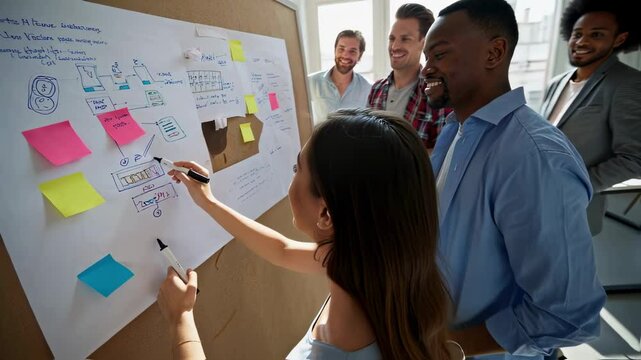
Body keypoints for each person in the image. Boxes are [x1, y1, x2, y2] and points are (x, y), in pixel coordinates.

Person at [157, 108, 463, 360]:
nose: (292, 177)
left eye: (295, 169)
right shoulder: (377, 263)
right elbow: (283, 250)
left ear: (326, 213)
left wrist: (179, 319)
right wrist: (208, 202)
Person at [420, 0, 606, 359]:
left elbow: (568, 314)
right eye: (427, 56)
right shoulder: (453, 131)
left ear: (494, 52)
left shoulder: (533, 157)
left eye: (440, 54)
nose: (427, 68)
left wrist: (446, 347)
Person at [540, 0, 641, 236]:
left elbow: (634, 158)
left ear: (619, 39)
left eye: (596, 35)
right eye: (577, 34)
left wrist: (575, 185)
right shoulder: (557, 83)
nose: (582, 42)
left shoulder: (628, 84)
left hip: (576, 213)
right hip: (536, 204)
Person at [368, 3, 451, 150]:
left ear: (424, 43)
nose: (394, 46)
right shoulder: (376, 89)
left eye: (405, 39)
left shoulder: (436, 93)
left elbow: (442, 155)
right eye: (392, 38)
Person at [308, 30, 372, 125]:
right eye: (341, 49)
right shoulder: (311, 82)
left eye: (352, 51)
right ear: (335, 50)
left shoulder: (369, 88)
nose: (345, 55)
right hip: (321, 139)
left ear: (359, 56)